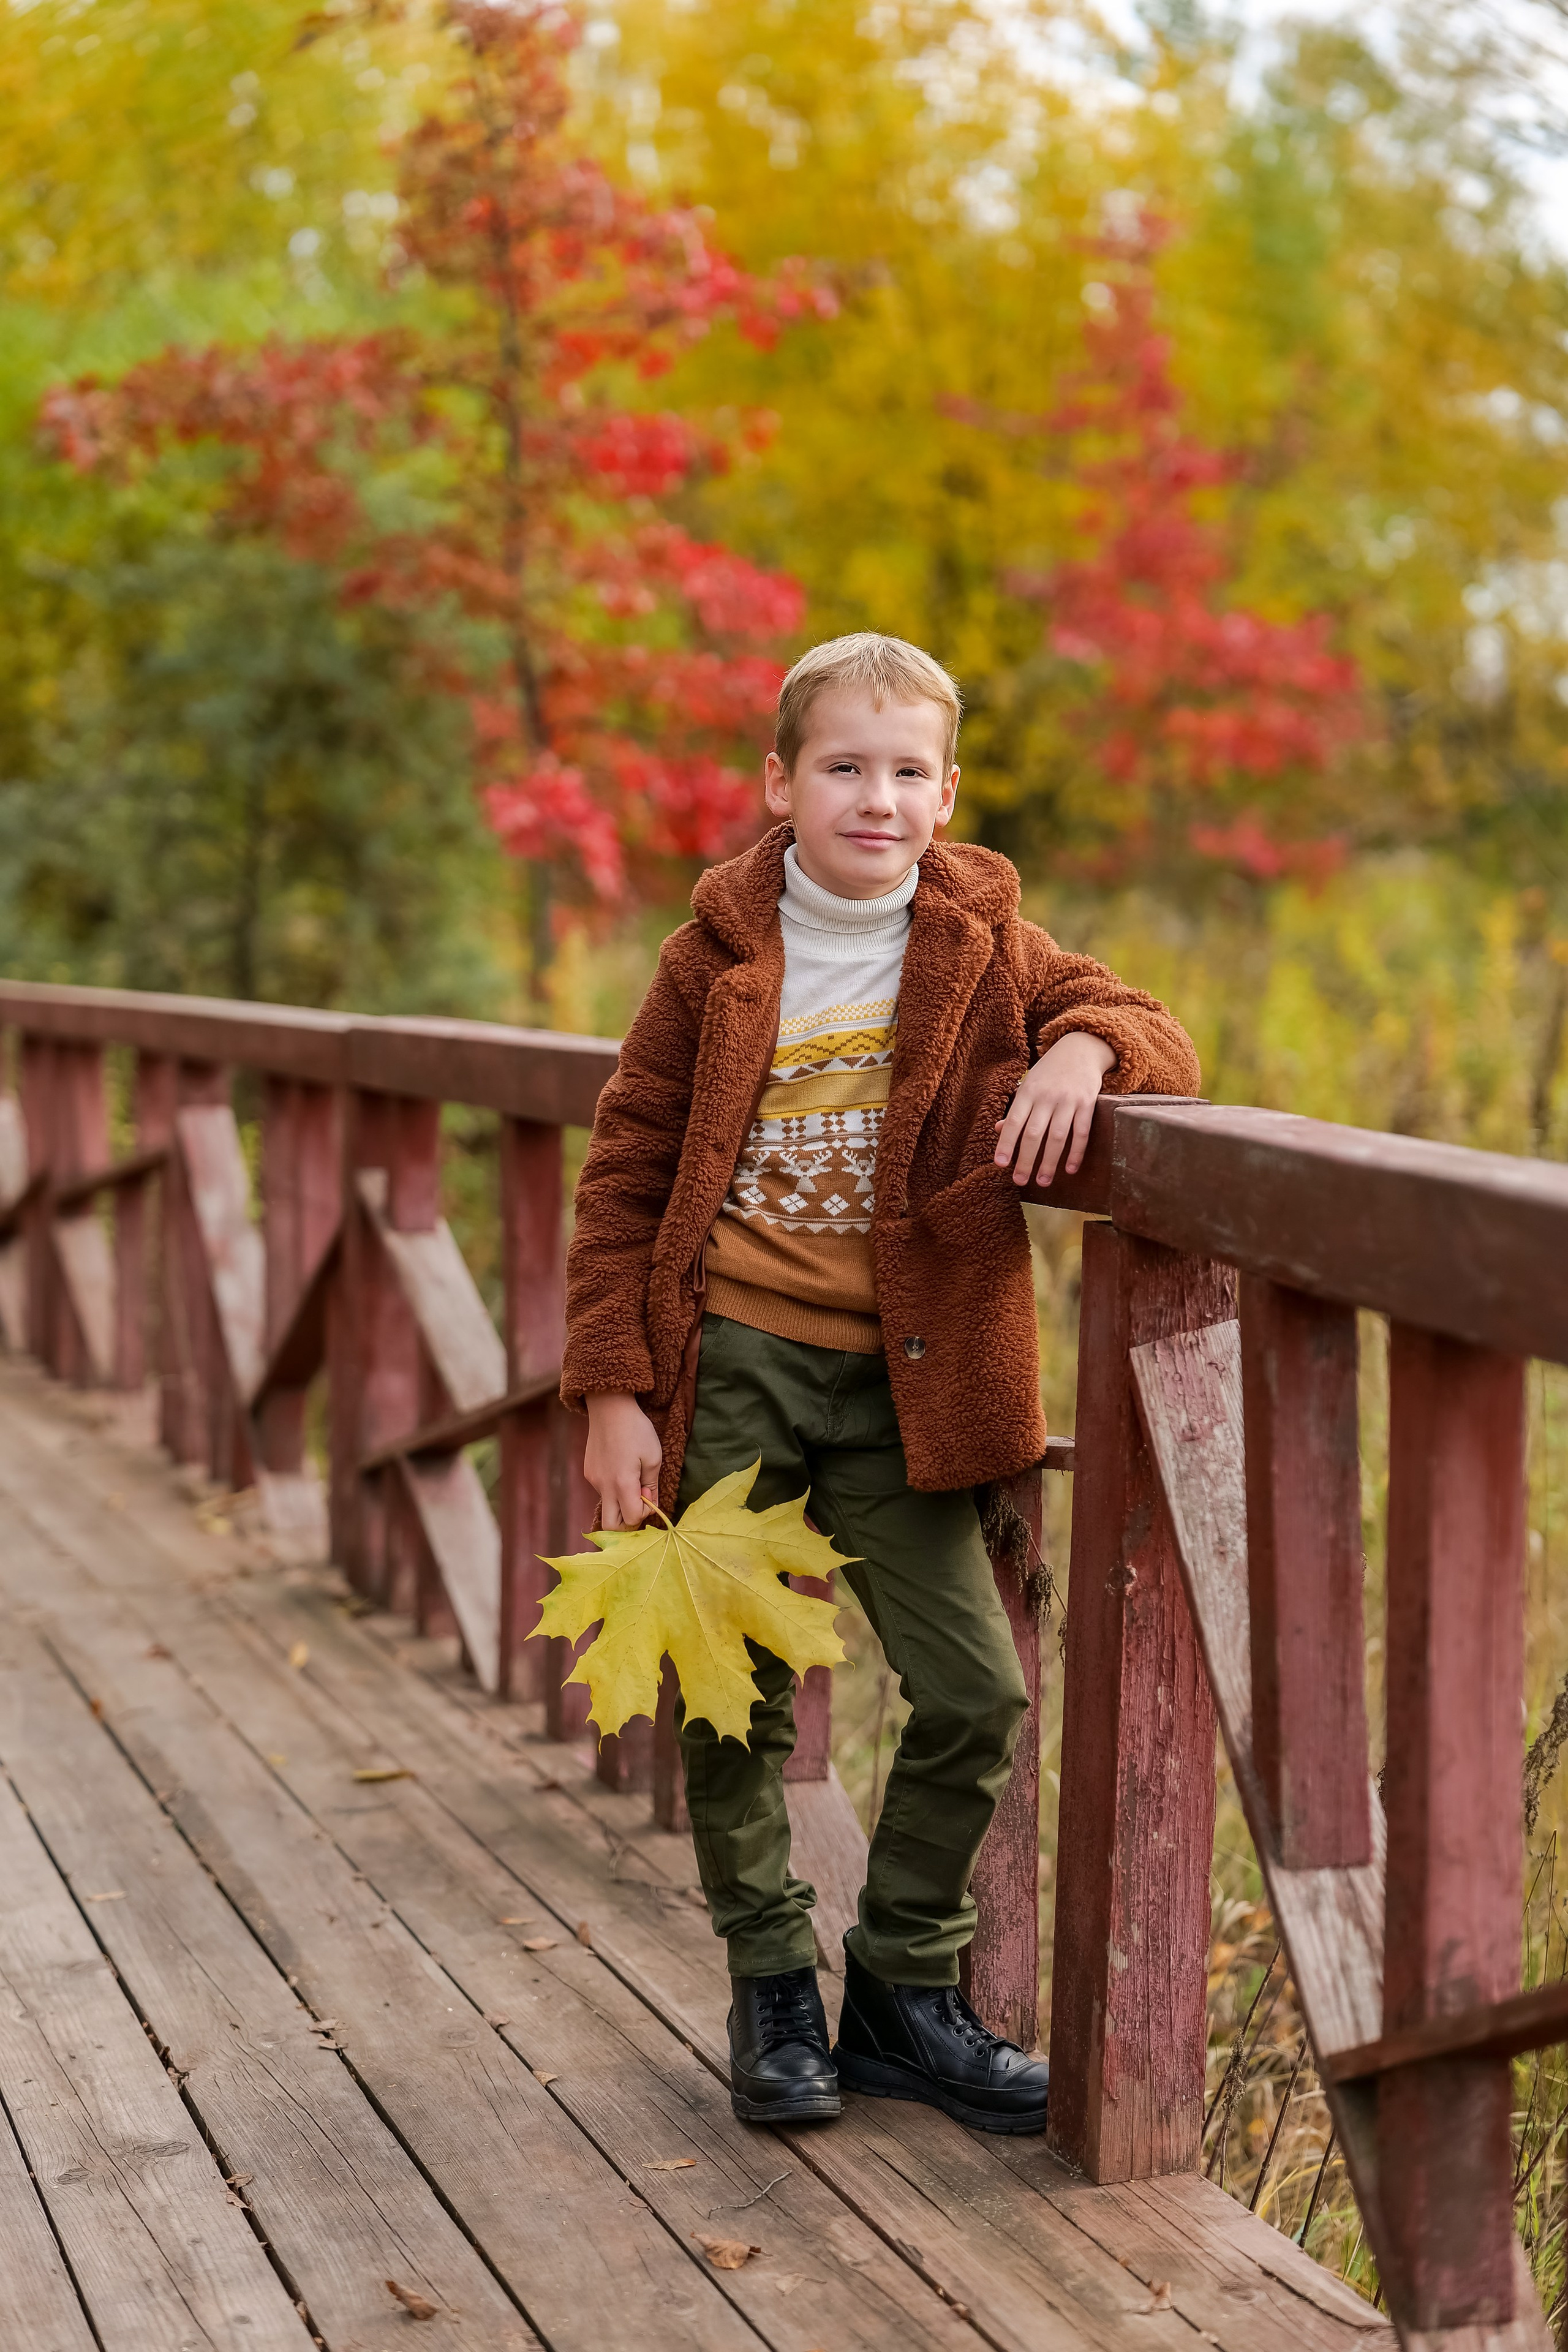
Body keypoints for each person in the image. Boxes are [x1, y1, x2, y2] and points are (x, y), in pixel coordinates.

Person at [561, 632, 1200, 2135]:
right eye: (843, 767)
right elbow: (624, 1168)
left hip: (907, 1391)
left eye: (906, 771)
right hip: (734, 1374)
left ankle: (905, 1992)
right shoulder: (713, 952)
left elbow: (1160, 1034)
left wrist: (1080, 1054)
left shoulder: (982, 938)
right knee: (738, 1701)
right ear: (778, 782)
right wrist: (609, 1386)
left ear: (947, 790)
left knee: (973, 1692)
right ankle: (771, 1986)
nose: (876, 798)